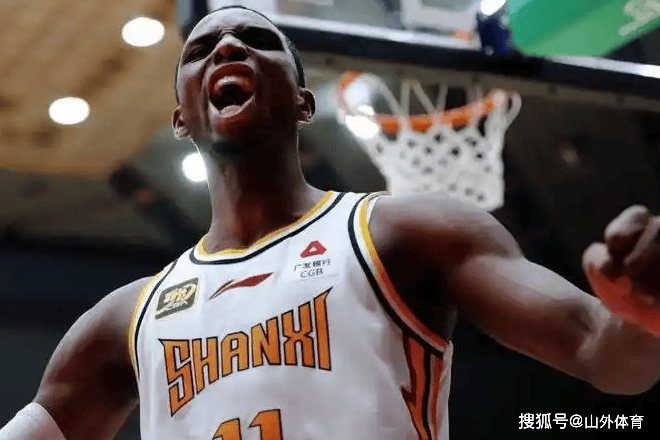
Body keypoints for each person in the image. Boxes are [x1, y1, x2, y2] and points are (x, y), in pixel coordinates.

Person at [3, 5, 660, 440]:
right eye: (200, 49)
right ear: (181, 119)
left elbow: (601, 353)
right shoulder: (124, 319)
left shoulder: (405, 232)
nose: (228, 45)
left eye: (259, 41)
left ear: (303, 102)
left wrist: (643, 316)